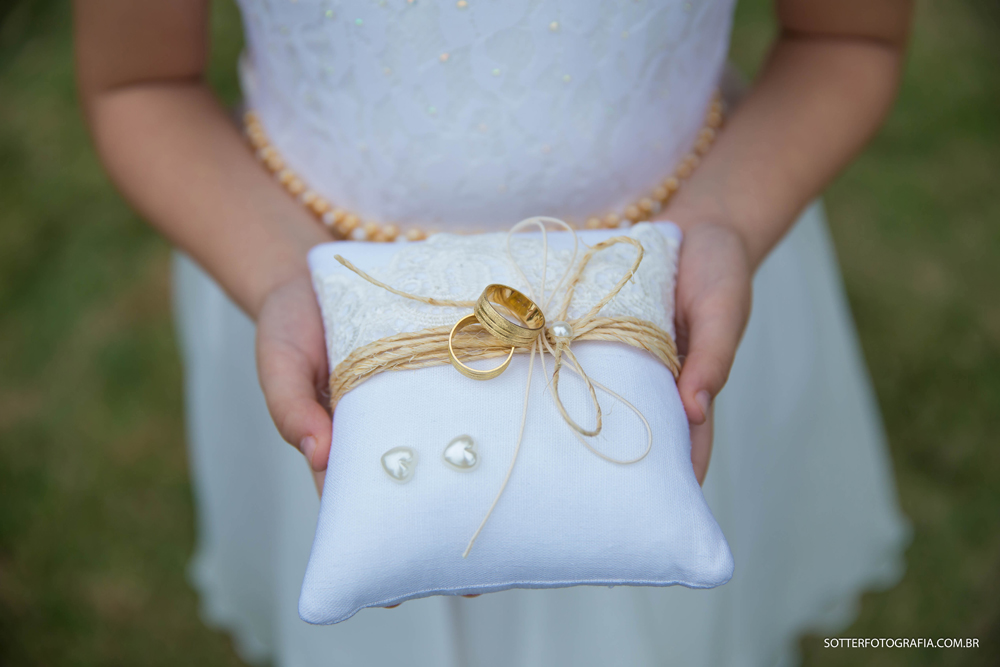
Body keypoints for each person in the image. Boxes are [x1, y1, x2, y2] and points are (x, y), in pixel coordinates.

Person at [74, 1, 912, 665]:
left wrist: (723, 219)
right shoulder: (311, 306)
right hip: (325, 317)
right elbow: (139, 81)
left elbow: (848, 35)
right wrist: (279, 274)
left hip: (661, 306)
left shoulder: (682, 278)